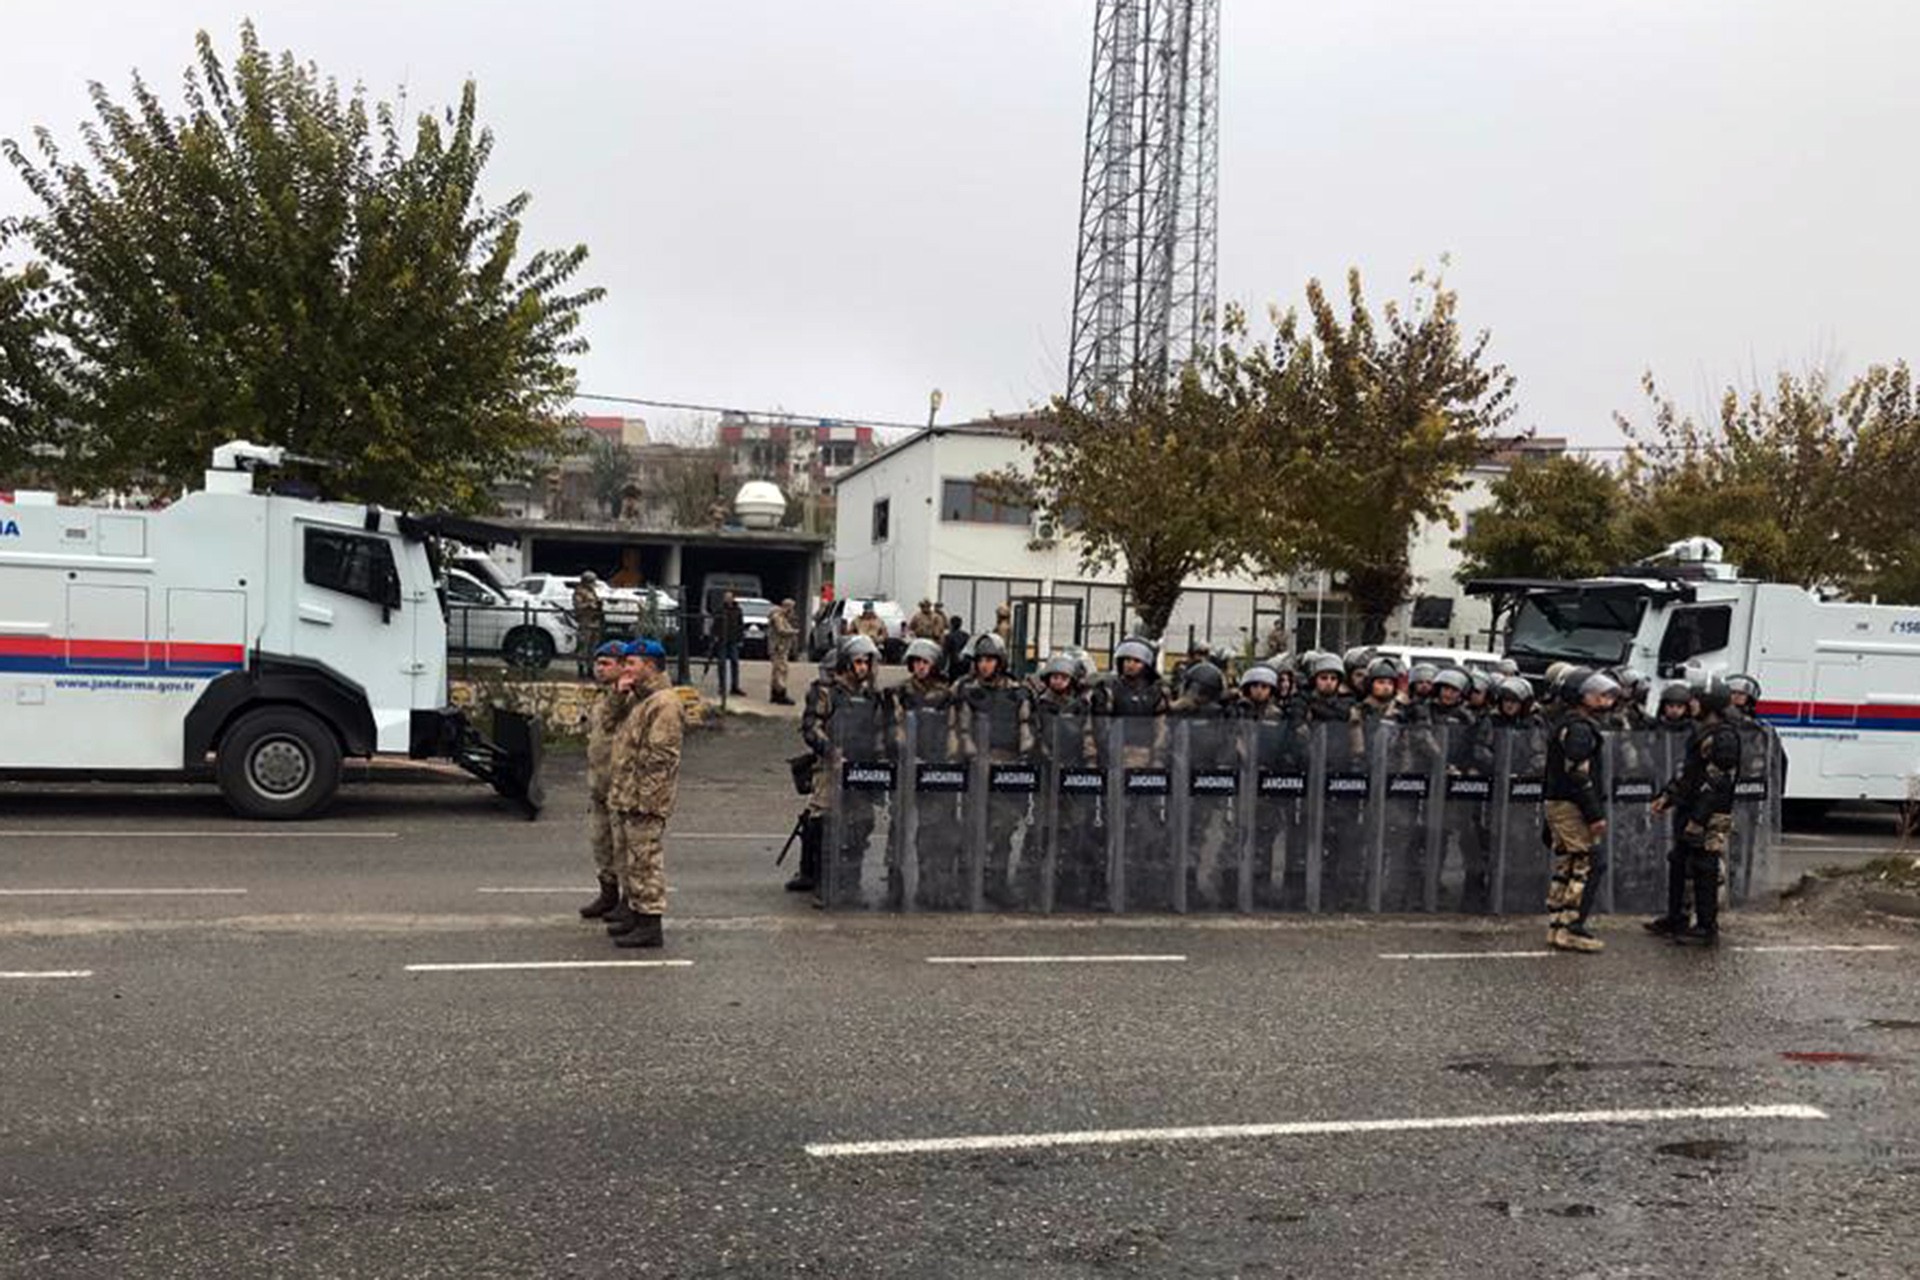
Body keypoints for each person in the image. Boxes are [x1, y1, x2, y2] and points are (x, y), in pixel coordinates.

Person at [1648, 676, 1743, 945]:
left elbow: (1716, 785)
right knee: (1679, 861)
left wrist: (1699, 819)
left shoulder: (1724, 738)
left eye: (1694, 700)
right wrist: (1667, 797)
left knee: (1705, 865)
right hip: (1690, 808)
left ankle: (1705, 926)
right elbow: (1690, 774)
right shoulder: (1701, 731)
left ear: (1708, 703)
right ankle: (1676, 917)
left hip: (1711, 814)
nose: (1690, 704)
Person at [605, 639, 684, 949]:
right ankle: (636, 914)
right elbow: (609, 724)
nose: (625, 668)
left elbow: (659, 758)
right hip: (628, 796)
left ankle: (650, 923)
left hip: (645, 800)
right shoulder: (640, 698)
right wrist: (620, 694)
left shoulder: (664, 702)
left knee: (646, 861)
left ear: (650, 665)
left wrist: (646, 802)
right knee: (630, 861)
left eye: (632, 663)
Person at [800, 635, 889, 902]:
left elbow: (880, 732)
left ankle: (852, 886)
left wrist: (882, 760)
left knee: (861, 826)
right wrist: (832, 752)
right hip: (831, 767)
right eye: (859, 662)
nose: (863, 668)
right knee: (827, 825)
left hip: (862, 769)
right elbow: (811, 727)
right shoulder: (827, 691)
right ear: (847, 663)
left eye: (867, 663)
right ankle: (824, 886)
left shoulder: (873, 696)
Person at [952, 634, 1035, 906]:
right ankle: (968, 885)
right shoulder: (967, 690)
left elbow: (1026, 728)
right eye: (980, 660)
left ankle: (997, 884)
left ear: (1000, 662)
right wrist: (974, 757)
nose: (984, 665)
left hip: (1008, 769)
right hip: (978, 767)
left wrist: (1025, 757)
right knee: (972, 829)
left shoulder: (1017, 691)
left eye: (990, 660)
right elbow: (961, 729)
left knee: (1003, 830)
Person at [1543, 669, 1617, 953]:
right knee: (1587, 864)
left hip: (1562, 804)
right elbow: (1578, 774)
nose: (1603, 699)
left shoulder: (1569, 724)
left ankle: (1558, 928)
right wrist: (1594, 813)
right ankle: (1572, 928)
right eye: (1594, 694)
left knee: (1568, 866)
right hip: (1572, 806)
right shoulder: (1579, 728)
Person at [889, 637, 955, 906]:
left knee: (934, 829)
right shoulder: (901, 692)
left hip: (935, 769)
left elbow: (954, 730)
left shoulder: (947, 694)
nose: (920, 667)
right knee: (899, 827)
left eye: (925, 662)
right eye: (916, 662)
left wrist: (948, 762)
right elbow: (896, 726)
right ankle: (896, 883)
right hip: (908, 767)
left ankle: (931, 885)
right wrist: (906, 753)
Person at [578, 641, 632, 921]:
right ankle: (607, 893)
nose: (599, 668)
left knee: (623, 846)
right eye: (598, 663)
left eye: (606, 663)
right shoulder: (602, 696)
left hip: (620, 785)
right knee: (601, 841)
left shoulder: (629, 697)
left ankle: (628, 899)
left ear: (623, 666)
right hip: (599, 782)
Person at [572, 572, 605, 677]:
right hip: (585, 622)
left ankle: (590, 669)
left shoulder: (593, 591)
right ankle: (581, 669)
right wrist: (589, 605)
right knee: (583, 646)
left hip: (595, 622)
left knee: (593, 647)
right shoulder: (579, 592)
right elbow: (578, 606)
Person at [714, 590, 746, 697]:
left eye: (729, 597)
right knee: (721, 664)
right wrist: (715, 636)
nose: (727, 599)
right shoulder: (720, 610)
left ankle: (734, 687)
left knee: (735, 662)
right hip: (722, 640)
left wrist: (740, 639)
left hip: (733, 640)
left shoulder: (738, 610)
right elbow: (715, 624)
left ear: (733, 598)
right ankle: (722, 687)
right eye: (725, 597)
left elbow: (740, 625)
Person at [767, 598, 798, 705]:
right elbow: (780, 630)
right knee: (781, 671)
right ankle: (781, 694)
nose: (792, 611)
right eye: (791, 608)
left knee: (777, 671)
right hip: (778, 648)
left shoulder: (782, 617)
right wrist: (793, 632)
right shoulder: (778, 617)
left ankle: (775, 694)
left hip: (781, 647)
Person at [941, 614, 971, 682]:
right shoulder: (966, 635)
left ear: (951, 625)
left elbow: (945, 653)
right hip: (965, 664)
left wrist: (942, 668)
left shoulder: (949, 637)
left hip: (954, 664)